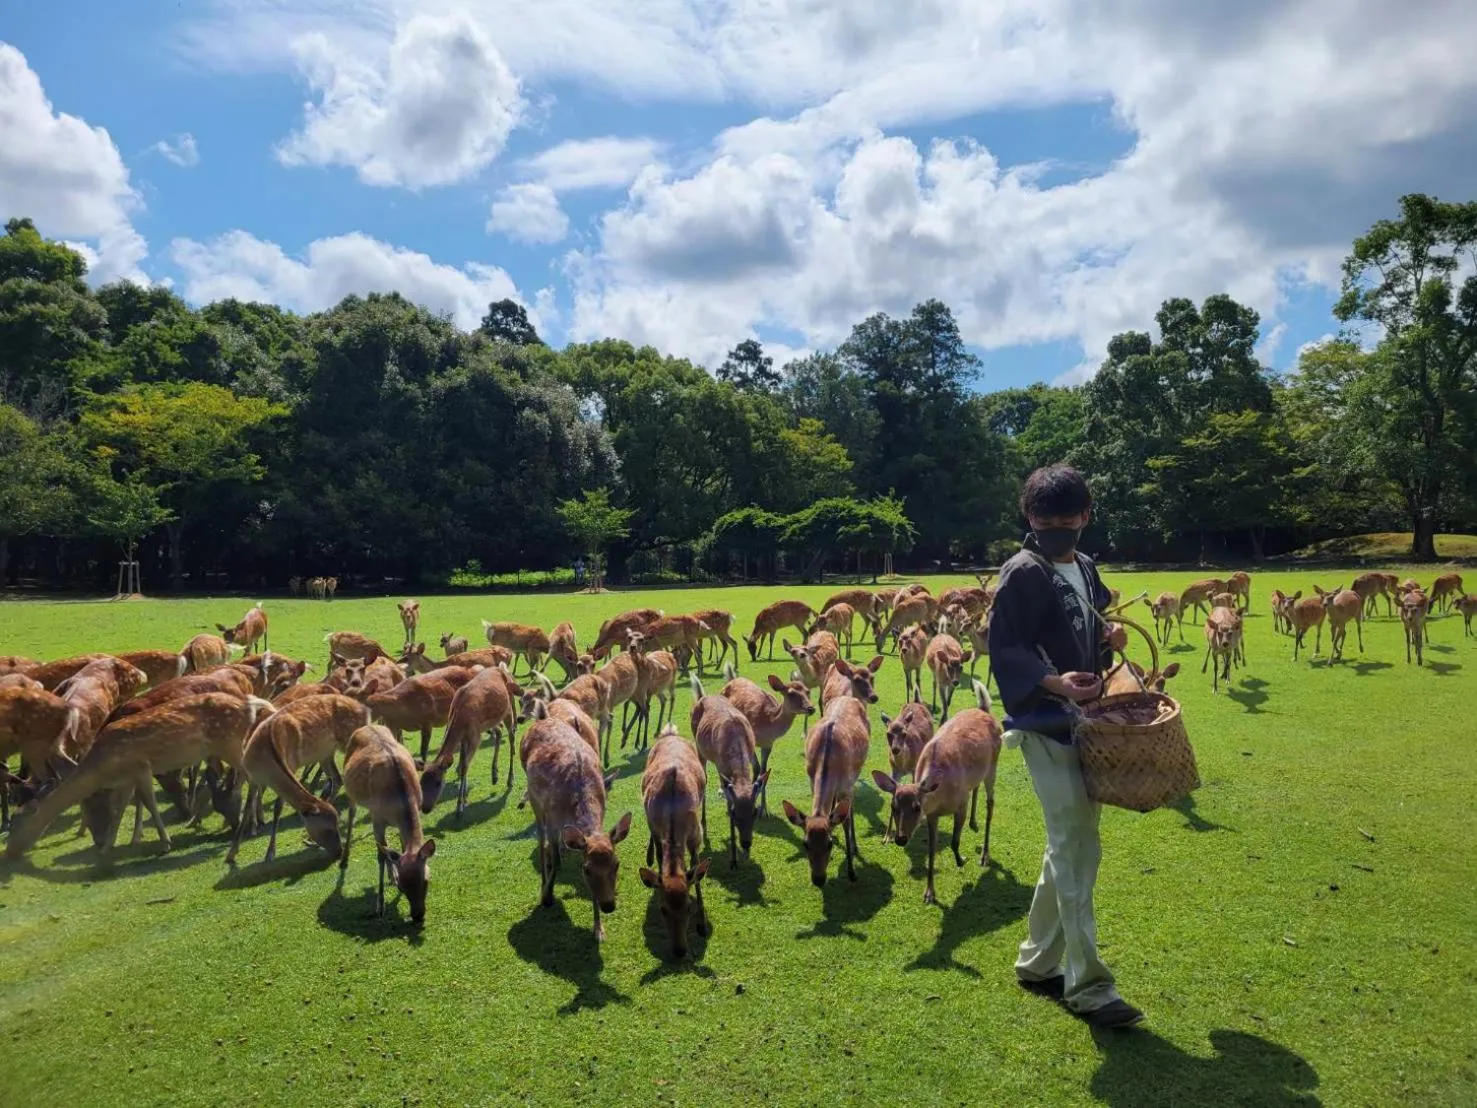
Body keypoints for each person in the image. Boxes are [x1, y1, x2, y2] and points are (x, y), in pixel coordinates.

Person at [987, 463, 1141, 1029]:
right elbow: (1005, 646)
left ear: (1086, 517)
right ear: (1029, 517)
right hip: (1045, 726)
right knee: (1078, 845)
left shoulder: (1087, 566)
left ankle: (1036, 961)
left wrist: (1111, 636)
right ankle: (1090, 986)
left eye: (1068, 518)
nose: (1057, 527)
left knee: (1071, 842)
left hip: (1091, 724)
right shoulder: (1020, 573)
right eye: (1046, 518)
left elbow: (1093, 626)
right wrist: (1052, 683)